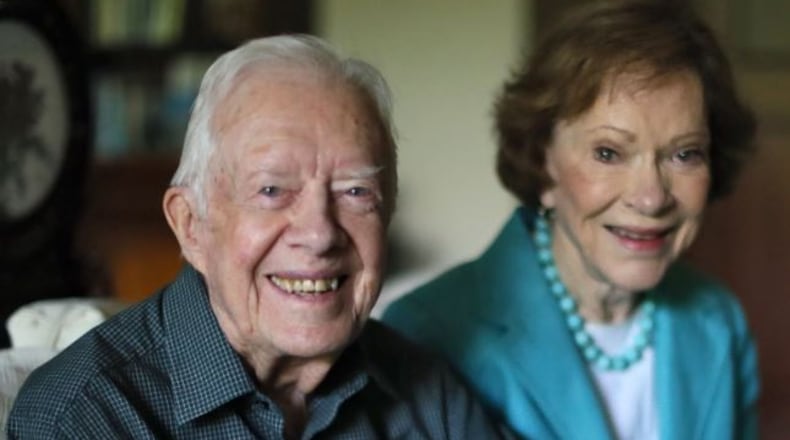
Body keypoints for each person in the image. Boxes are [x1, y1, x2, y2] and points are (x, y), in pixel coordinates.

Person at [7, 35, 512, 439]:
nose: (318, 234)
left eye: (356, 192)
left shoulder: (428, 396)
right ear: (191, 225)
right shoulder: (86, 416)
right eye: (272, 190)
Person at [382, 1, 760, 439]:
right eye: (609, 153)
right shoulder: (428, 332)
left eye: (684, 154)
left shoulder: (719, 319)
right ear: (544, 165)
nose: (651, 197)